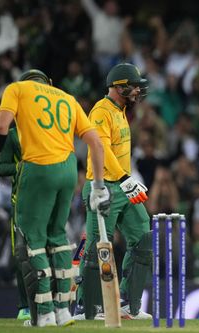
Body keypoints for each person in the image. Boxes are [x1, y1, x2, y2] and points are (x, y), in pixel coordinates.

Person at [0, 69, 110, 327]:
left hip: (37, 168)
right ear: (48, 83)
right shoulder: (67, 98)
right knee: (59, 238)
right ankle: (63, 311)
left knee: (31, 240)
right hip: (68, 169)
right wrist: (99, 186)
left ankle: (44, 312)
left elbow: (1, 126)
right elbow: (96, 141)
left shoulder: (17, 89)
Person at [77, 63, 152, 321]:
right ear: (120, 86)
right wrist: (123, 177)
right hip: (103, 185)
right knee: (98, 246)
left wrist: (126, 180)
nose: (137, 91)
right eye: (134, 86)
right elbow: (100, 148)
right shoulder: (101, 111)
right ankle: (88, 306)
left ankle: (129, 305)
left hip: (121, 185)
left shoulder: (120, 111)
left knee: (143, 234)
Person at [0, 126, 30, 320]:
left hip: (45, 198)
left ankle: (52, 304)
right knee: (21, 253)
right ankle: (25, 306)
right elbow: (1, 166)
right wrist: (22, 166)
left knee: (51, 250)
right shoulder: (13, 134)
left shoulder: (43, 125)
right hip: (21, 201)